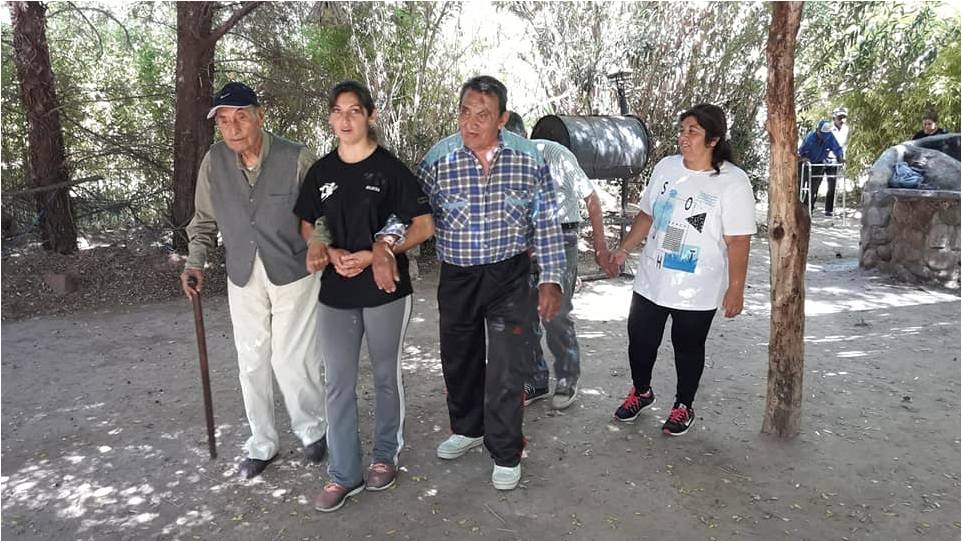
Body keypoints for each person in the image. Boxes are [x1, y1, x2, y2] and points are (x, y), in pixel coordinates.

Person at [416, 76, 565, 491]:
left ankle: (505, 450)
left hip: (509, 275)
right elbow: (413, 213)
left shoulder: (528, 158)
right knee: (458, 357)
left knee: (506, 365)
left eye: (483, 115)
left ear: (502, 119)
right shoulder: (437, 160)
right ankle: (468, 428)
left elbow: (546, 221)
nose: (471, 123)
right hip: (458, 275)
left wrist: (551, 278)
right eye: (465, 112)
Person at [294, 80, 434, 512]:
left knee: (385, 374)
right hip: (336, 290)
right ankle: (343, 474)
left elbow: (423, 225)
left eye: (354, 110)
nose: (345, 119)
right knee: (337, 382)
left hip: (384, 289)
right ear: (330, 118)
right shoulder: (321, 172)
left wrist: (380, 252)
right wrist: (326, 248)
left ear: (370, 116)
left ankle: (385, 456)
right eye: (337, 111)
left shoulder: (390, 170)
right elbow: (308, 222)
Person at [180, 81, 327, 479]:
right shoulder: (214, 162)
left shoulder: (295, 157)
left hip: (294, 270)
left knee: (292, 358)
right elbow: (203, 221)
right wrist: (195, 263)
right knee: (251, 359)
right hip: (243, 272)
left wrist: (320, 244)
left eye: (241, 117)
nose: (233, 127)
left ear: (260, 116)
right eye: (224, 121)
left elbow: (322, 213)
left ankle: (312, 430)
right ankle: (262, 442)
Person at [608, 104, 755, 437]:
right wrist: (624, 249)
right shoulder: (667, 167)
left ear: (713, 139)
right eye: (682, 130)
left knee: (687, 346)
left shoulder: (732, 181)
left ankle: (683, 405)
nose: (683, 138)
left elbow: (738, 240)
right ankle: (641, 391)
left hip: (698, 285)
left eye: (693, 132)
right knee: (640, 340)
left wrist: (735, 288)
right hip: (653, 278)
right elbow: (647, 215)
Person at [503, 112, 619, 411]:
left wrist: (600, 247)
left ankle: (568, 378)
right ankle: (536, 380)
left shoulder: (554, 154)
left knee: (555, 314)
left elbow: (591, 199)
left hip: (560, 237)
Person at [797, 119, 845, 216]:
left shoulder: (829, 136)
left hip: (819, 165)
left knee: (813, 189)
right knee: (799, 186)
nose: (824, 137)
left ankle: (807, 211)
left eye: (826, 135)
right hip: (806, 164)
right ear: (817, 130)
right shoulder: (810, 137)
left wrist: (840, 157)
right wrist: (804, 158)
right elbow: (802, 151)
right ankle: (796, 209)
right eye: (822, 134)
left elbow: (836, 147)